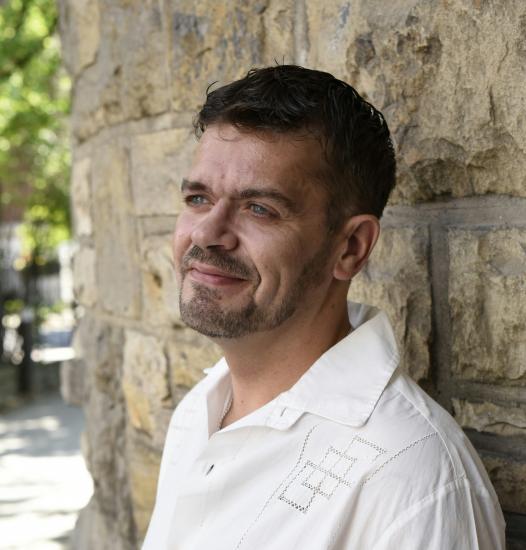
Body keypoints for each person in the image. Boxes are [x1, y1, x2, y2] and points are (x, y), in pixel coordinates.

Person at [142, 65, 505, 549]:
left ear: (351, 247)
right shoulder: (198, 412)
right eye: (198, 197)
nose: (207, 233)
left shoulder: (411, 478)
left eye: (260, 208)